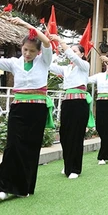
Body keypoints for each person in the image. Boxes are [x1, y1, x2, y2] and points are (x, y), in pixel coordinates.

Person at [0, 17, 52, 200]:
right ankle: (5, 185)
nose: (27, 53)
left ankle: (24, 187)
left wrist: (25, 24)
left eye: (31, 51)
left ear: (38, 52)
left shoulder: (44, 61)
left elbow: (46, 40)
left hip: (37, 111)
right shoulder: (14, 63)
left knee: (31, 147)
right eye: (24, 50)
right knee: (12, 145)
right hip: (18, 108)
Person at [49, 34, 92, 179]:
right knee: (64, 135)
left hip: (79, 104)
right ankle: (68, 163)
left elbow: (73, 58)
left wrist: (61, 41)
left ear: (82, 54)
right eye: (71, 50)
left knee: (76, 135)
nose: (72, 53)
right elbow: (49, 65)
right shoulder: (66, 69)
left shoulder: (84, 66)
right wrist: (46, 46)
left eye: (76, 51)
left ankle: (75, 168)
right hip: (67, 103)